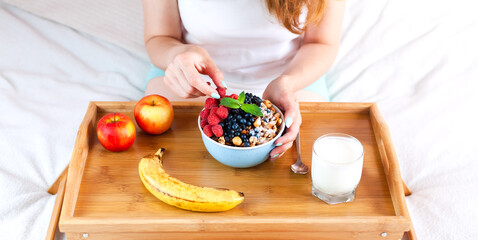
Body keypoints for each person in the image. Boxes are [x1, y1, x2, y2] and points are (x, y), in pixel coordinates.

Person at [142, 0, 345, 161]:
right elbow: (160, 36)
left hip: (292, 76)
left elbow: (321, 42)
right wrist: (179, 54)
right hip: (192, 76)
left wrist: (288, 82)